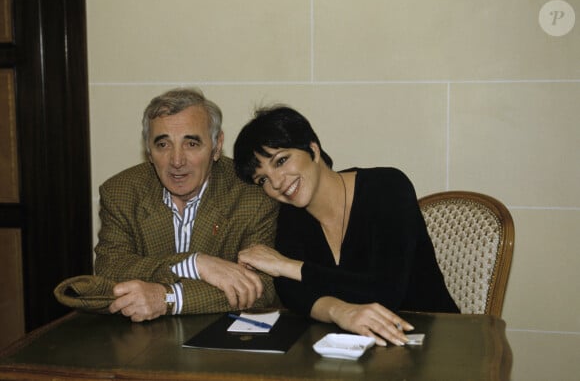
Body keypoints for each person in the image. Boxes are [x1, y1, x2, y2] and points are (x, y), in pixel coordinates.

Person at [233, 106, 459, 347]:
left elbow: (385, 290)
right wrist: (338, 311)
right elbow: (293, 293)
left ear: (313, 149)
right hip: (355, 350)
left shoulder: (388, 188)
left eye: (281, 161)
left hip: (435, 340)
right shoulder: (291, 214)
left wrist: (284, 265)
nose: (276, 183)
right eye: (263, 180)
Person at [93, 88, 279, 322]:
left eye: (191, 144)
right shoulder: (120, 193)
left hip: (218, 345)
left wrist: (169, 298)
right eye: (163, 145)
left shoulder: (252, 197)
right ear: (149, 151)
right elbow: (109, 271)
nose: (177, 161)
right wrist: (194, 264)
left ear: (216, 145)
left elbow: (260, 288)